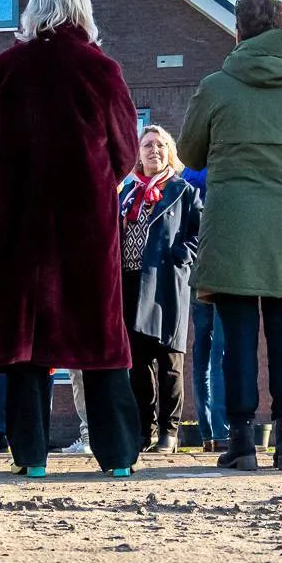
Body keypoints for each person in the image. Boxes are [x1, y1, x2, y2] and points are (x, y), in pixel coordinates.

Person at [0, 0, 145, 478]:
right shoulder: (102, 70)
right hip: (83, 222)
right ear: (83, 9)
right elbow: (126, 151)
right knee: (100, 336)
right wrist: (95, 178)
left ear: (32, 9)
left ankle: (33, 456)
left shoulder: (0, 69)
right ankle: (116, 457)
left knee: (28, 345)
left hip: (16, 220)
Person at [181, 0, 282, 471]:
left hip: (231, 225)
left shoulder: (216, 85)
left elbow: (189, 154)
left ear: (238, 31)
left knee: (236, 337)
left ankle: (243, 443)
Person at [120, 126, 201, 452]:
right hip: (130, 283)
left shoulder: (183, 191)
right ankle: (144, 430)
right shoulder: (127, 192)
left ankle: (169, 432)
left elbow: (198, 232)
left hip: (166, 283)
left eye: (160, 145)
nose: (153, 150)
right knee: (137, 363)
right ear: (138, 154)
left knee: (169, 360)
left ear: (170, 152)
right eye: (147, 145)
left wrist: (181, 257)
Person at [182, 162, 229, 451]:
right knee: (217, 348)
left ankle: (209, 431)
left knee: (204, 348)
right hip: (221, 266)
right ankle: (219, 430)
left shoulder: (189, 171)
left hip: (199, 269)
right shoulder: (218, 167)